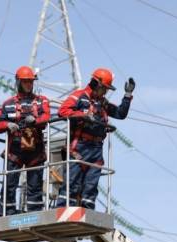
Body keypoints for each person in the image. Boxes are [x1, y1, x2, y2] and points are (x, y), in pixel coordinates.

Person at [56, 68, 135, 210]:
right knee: (72, 182)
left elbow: (120, 113)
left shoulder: (102, 103)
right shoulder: (79, 96)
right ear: (96, 84)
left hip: (96, 149)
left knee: (91, 185)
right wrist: (83, 115)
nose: (105, 92)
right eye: (104, 88)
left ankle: (87, 211)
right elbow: (63, 111)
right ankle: (64, 210)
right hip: (79, 146)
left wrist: (128, 95)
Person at [0, 66, 50, 216]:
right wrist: (7, 125)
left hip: (35, 148)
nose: (29, 85)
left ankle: (35, 212)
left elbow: (46, 117)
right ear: (18, 82)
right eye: (25, 82)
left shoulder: (41, 101)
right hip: (15, 149)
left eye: (31, 82)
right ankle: (6, 211)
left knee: (35, 184)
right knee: (10, 182)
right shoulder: (8, 104)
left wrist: (35, 121)